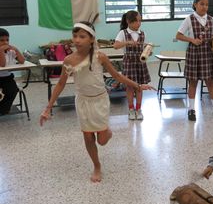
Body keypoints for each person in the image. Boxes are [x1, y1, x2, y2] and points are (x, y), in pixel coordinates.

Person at [40, 20, 153, 182]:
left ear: (91, 39)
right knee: (87, 137)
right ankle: (97, 165)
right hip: (82, 102)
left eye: (82, 36)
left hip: (100, 101)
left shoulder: (100, 57)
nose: (77, 40)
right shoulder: (69, 60)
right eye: (75, 36)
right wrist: (47, 108)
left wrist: (138, 86)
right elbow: (60, 84)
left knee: (102, 140)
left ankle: (106, 131)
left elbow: (117, 76)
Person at [176, 0, 213, 121]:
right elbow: (178, 35)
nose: (205, 7)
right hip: (194, 53)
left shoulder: (212, 20)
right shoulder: (189, 19)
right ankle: (191, 110)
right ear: (195, 4)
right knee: (193, 82)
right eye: (202, 4)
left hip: (207, 54)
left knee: (210, 82)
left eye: (207, 4)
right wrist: (192, 40)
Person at [114, 10, 151, 120]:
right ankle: (131, 109)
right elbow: (115, 45)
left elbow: (145, 49)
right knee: (130, 87)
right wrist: (127, 42)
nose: (138, 23)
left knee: (139, 87)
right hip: (129, 62)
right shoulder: (123, 33)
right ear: (128, 21)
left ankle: (139, 109)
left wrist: (148, 51)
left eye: (140, 21)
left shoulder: (142, 33)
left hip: (140, 62)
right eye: (136, 21)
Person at [0, 28, 25, 115]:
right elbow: (2, 64)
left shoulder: (10, 52)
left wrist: (16, 50)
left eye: (7, 40)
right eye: (2, 40)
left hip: (7, 77)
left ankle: (3, 110)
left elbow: (22, 61)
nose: (5, 42)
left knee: (13, 90)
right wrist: (1, 51)